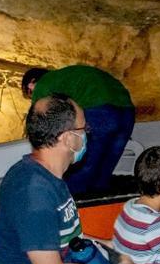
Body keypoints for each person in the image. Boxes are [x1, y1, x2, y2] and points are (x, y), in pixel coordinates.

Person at [0, 93, 133, 264]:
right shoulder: (33, 190)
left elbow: (62, 239)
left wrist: (110, 246)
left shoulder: (49, 177)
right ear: (68, 138)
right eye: (84, 130)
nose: (87, 135)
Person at [21, 65, 135, 195]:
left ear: (31, 84)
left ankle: (76, 201)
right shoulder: (69, 77)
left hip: (99, 110)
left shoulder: (43, 83)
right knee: (105, 165)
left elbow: (40, 120)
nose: (32, 97)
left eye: (30, 94)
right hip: (126, 111)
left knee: (85, 164)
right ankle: (100, 199)